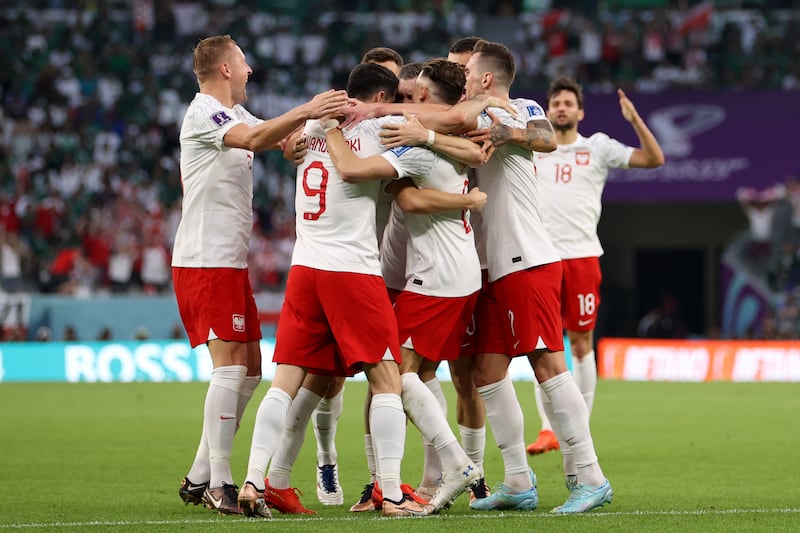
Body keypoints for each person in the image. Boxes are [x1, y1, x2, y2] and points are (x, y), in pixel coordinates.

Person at [418, 39, 613, 513]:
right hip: (486, 268)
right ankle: (519, 482)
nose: (458, 79)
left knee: (547, 362)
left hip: (525, 258)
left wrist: (512, 134)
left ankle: (588, 475)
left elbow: (545, 137)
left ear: (484, 77)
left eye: (464, 73)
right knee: (486, 371)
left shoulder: (517, 107)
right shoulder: (465, 113)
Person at [237, 62, 430, 518]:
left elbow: (286, 144)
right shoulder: (380, 128)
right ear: (380, 99)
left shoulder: (308, 126)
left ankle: (252, 480)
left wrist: (307, 131)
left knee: (285, 381)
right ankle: (392, 494)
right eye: (397, 97)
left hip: (305, 267)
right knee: (386, 380)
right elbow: (439, 124)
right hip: (352, 271)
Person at [172, 34, 347, 516]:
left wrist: (301, 134)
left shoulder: (235, 115)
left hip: (227, 260)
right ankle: (221, 483)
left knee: (250, 370)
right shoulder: (204, 111)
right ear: (225, 69)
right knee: (229, 368)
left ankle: (200, 472)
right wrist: (308, 107)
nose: (250, 72)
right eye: (244, 64)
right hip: (204, 258)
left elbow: (271, 136)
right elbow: (253, 138)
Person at [326, 58, 492, 514]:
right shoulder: (446, 135)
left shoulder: (413, 137)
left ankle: (453, 467)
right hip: (452, 272)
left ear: (425, 95)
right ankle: (428, 476)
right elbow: (461, 160)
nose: (406, 96)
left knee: (392, 373)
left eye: (413, 89)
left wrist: (327, 131)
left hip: (436, 275)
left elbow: (361, 174)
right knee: (414, 374)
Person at [527, 77, 665, 456]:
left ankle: (579, 426)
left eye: (569, 103)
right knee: (543, 347)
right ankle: (547, 429)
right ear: (547, 109)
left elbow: (654, 159)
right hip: (540, 258)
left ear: (580, 112)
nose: (561, 108)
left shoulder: (598, 147)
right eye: (555, 102)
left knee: (581, 343)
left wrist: (635, 120)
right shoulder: (533, 148)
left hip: (583, 256)